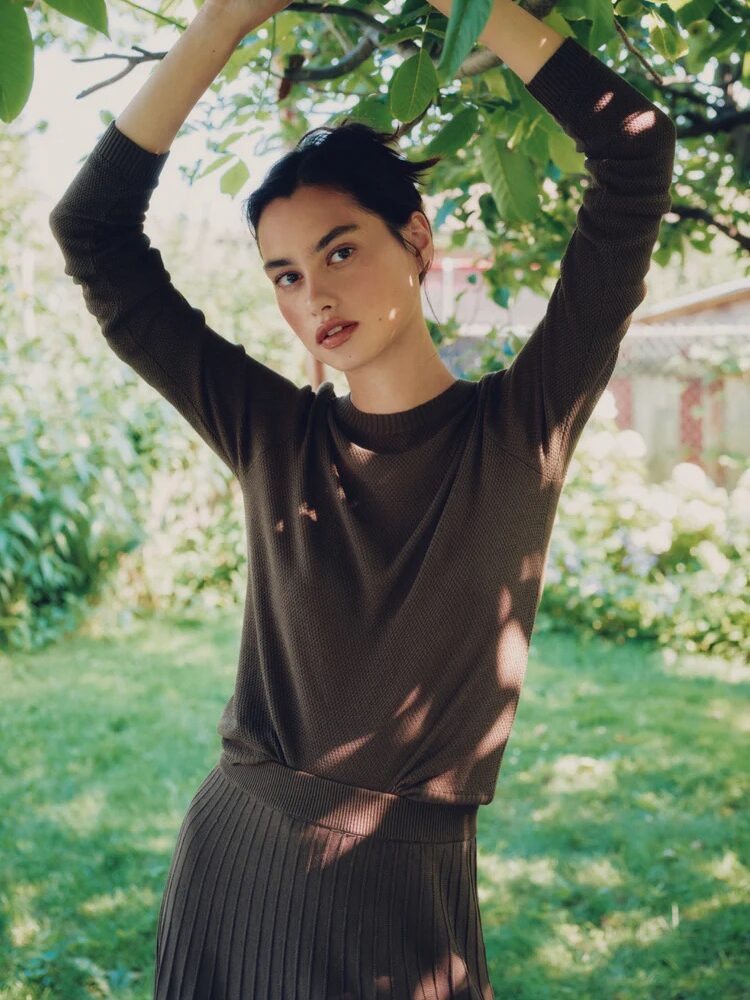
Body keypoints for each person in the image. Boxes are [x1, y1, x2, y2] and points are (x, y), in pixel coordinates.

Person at [48, 0, 677, 995]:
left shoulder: (520, 428)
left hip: (408, 890)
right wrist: (222, 24)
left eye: (341, 250)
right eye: (286, 275)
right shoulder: (271, 434)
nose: (314, 298)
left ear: (417, 238)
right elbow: (92, 232)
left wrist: (472, 7)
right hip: (237, 862)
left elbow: (636, 150)